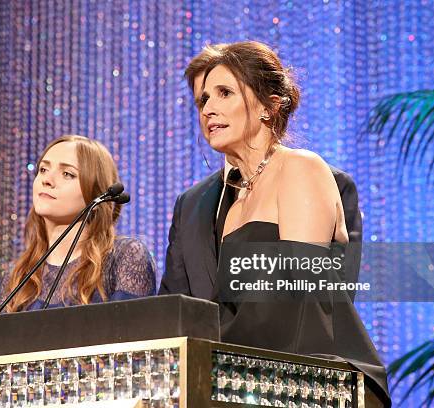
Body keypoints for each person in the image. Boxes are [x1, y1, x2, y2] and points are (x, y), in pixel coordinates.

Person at [159, 42, 390, 407]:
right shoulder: (234, 204)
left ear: (269, 106)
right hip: (249, 380)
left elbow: (298, 301)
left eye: (224, 93)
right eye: (203, 100)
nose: (209, 109)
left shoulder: (301, 168)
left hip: (318, 380)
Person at [0, 135, 156, 312]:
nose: (47, 180)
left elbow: (131, 336)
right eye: (43, 170)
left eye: (67, 174)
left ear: (97, 194)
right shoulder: (18, 275)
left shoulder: (124, 257)